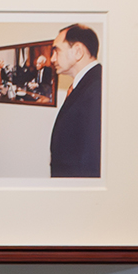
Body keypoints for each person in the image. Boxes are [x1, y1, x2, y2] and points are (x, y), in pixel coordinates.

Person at [48, 24, 103, 178]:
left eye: (56, 51)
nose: (52, 59)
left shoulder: (98, 87)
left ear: (78, 51)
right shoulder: (86, 84)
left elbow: (92, 159)